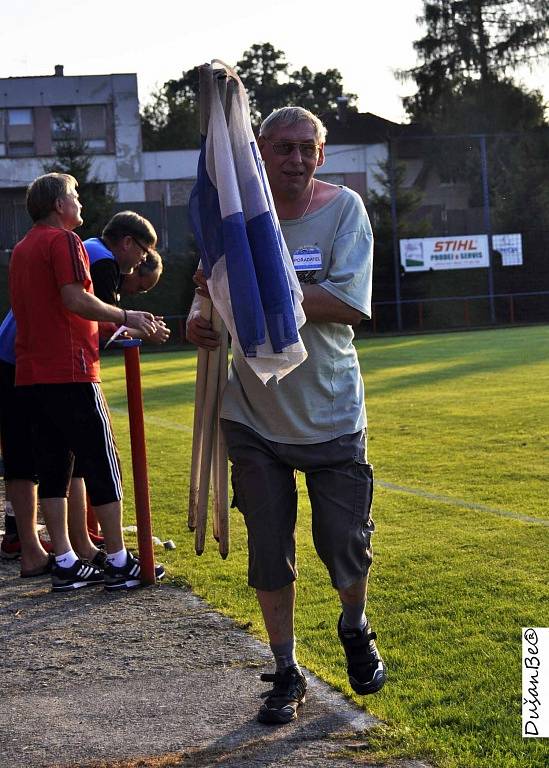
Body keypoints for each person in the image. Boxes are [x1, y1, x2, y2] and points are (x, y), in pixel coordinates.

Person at [186, 107, 386, 724]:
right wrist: (200, 311)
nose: (295, 160)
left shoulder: (344, 210)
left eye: (307, 149)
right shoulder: (237, 216)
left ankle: (354, 626)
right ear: (260, 153)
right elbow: (207, 281)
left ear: (320, 156)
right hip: (250, 413)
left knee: (342, 545)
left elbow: (349, 304)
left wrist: (263, 293)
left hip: (329, 410)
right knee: (269, 549)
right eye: (282, 149)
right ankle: (287, 670)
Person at [10, 172, 164, 592]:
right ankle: (117, 558)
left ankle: (63, 559)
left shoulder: (23, 247)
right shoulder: (64, 241)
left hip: (32, 371)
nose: (80, 203)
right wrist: (126, 316)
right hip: (71, 368)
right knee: (100, 460)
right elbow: (74, 298)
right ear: (59, 204)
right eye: (75, 196)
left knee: (54, 466)